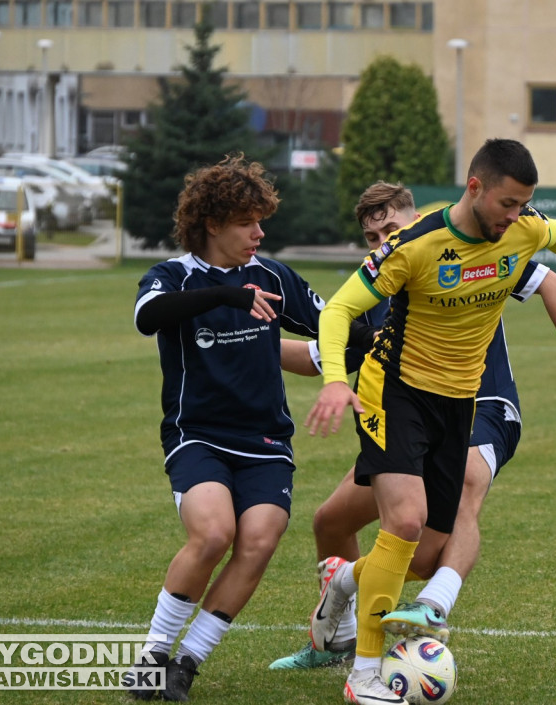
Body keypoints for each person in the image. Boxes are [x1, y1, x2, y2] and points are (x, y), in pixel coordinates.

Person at [305, 138, 556, 705]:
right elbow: (339, 310)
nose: (516, 216)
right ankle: (364, 678)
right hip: (396, 395)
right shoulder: (414, 246)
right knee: (404, 522)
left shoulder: (522, 227)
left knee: (427, 553)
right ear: (474, 187)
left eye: (524, 205)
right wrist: (334, 378)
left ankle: (347, 578)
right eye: (508, 203)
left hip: (460, 404)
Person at [128, 154, 334, 701]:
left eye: (261, 220)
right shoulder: (172, 276)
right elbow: (148, 317)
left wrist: (378, 325)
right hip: (197, 436)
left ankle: (187, 662)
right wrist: (225, 294)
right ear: (213, 224)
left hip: (266, 442)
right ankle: (152, 655)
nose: (259, 233)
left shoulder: (272, 275)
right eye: (247, 222)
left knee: (260, 540)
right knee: (214, 533)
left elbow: (335, 326)